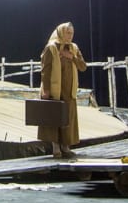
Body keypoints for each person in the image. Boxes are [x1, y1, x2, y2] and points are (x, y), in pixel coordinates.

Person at [38, 21, 87, 158]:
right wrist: (46, 89)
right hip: (55, 89)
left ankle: (65, 145)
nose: (70, 36)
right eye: (67, 33)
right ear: (60, 33)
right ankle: (55, 146)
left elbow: (83, 67)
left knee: (68, 118)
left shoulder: (73, 48)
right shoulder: (51, 48)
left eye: (72, 33)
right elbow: (45, 70)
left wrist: (72, 57)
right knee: (54, 117)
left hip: (69, 90)